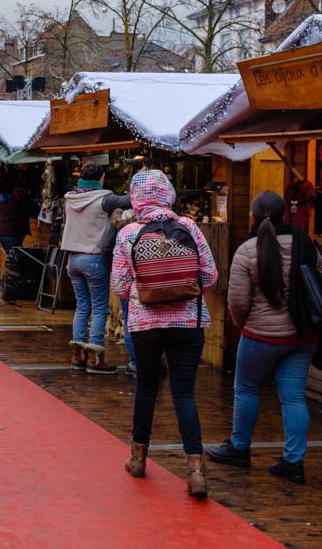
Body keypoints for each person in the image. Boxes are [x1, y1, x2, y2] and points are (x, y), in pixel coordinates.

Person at [111, 169, 217, 498]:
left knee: (146, 389)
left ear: (135, 196)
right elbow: (210, 276)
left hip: (145, 325)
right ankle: (196, 470)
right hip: (188, 323)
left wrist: (149, 289)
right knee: (184, 395)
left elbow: (120, 286)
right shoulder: (188, 227)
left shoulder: (128, 233)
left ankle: (138, 459)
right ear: (170, 194)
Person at [205, 191, 319, 485]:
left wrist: (245, 326)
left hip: (261, 336)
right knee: (293, 397)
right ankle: (293, 462)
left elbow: (239, 302)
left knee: (246, 388)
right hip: (303, 335)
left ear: (252, 216)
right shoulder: (307, 245)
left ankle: (239, 448)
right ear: (284, 213)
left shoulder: (247, 250)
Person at [62, 162, 131, 374]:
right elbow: (130, 200)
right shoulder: (104, 199)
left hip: (72, 259)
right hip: (93, 258)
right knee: (100, 307)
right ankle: (95, 358)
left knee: (82, 306)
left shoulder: (70, 199)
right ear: (100, 179)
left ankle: (77, 353)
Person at [0, 179, 31, 251]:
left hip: (1, 232)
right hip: (13, 233)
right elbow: (27, 210)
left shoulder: (0, 201)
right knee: (15, 257)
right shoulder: (16, 201)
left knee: (11, 257)